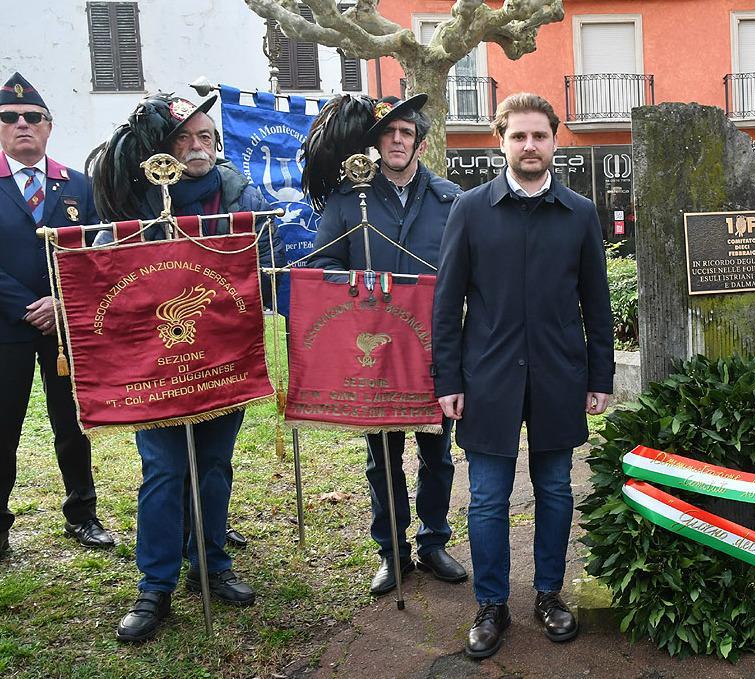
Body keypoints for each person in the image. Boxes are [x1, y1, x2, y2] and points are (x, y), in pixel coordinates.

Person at [91, 92, 278, 642]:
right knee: (166, 469)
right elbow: (105, 267)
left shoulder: (238, 193)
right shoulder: (134, 199)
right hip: (156, 362)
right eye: (184, 139)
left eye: (205, 138)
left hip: (224, 355)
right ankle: (155, 586)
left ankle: (211, 564)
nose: (196, 148)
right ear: (162, 148)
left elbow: (263, 265)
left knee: (214, 465)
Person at [432, 93, 613, 660]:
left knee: (556, 490)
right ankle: (491, 604)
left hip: (559, 374)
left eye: (539, 136)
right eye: (519, 136)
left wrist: (600, 373)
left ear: (555, 142)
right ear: (501, 141)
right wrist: (447, 378)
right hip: (488, 376)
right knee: (487, 498)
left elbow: (596, 301)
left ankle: (549, 594)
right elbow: (447, 301)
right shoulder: (470, 209)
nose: (529, 146)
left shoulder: (580, 213)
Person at [303, 93, 467, 595]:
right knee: (382, 456)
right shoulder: (348, 198)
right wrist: (359, 290)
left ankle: (434, 540)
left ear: (419, 141)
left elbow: (470, 269)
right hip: (371, 348)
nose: (398, 140)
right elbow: (322, 265)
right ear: (376, 140)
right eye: (389, 132)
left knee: (436, 453)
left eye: (407, 133)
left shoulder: (451, 199)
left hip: (435, 348)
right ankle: (391, 550)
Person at [0, 72, 115, 558]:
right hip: (6, 328)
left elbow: (96, 253)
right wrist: (28, 306)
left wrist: (62, 303)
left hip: (65, 327)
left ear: (49, 127)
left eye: (33, 117)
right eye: (10, 118)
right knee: (2, 428)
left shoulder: (80, 186)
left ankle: (83, 514)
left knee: (71, 423)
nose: (22, 124)